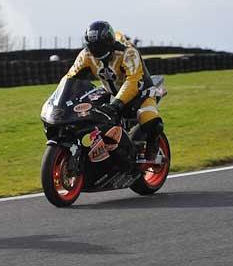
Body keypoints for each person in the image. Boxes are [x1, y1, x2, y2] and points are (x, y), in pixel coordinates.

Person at [65, 20, 164, 161]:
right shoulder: (86, 55)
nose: (96, 50)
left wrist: (118, 103)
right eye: (92, 46)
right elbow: (71, 77)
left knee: (150, 120)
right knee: (88, 114)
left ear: (109, 42)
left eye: (99, 46)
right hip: (111, 92)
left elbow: (133, 80)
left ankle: (153, 147)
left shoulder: (127, 52)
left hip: (141, 92)